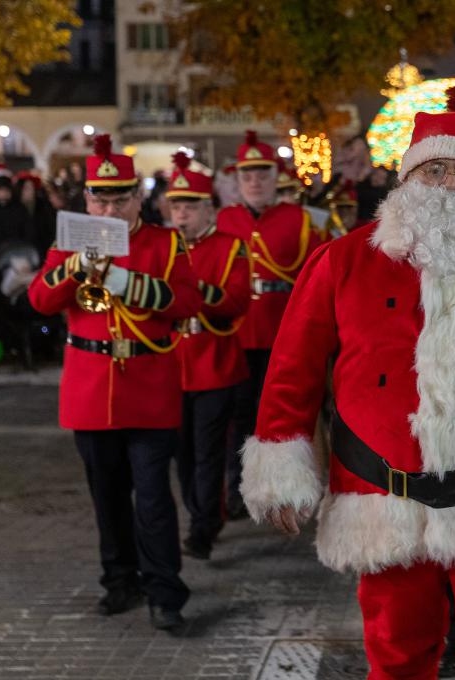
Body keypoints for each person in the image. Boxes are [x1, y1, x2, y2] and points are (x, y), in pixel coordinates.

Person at [239, 85, 455, 678]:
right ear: (406, 180)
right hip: (384, 497)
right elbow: (293, 368)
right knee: (397, 653)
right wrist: (282, 466)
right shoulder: (343, 260)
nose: (449, 185)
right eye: (434, 170)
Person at [27, 135, 201, 632]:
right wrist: (76, 265)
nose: (108, 207)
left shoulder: (166, 243)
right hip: (90, 388)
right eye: (99, 198)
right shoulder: (66, 244)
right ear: (86, 199)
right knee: (106, 496)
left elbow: (188, 303)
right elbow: (40, 300)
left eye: (119, 198)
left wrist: (129, 285)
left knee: (152, 498)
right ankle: (119, 580)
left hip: (148, 384)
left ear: (137, 198)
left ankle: (165, 590)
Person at [217, 130, 325, 520]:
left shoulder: (299, 219)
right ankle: (236, 488)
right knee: (238, 417)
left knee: (288, 413)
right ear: (237, 179)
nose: (255, 181)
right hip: (239, 331)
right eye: (247, 175)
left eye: (262, 173)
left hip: (284, 331)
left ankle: (290, 490)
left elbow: (316, 275)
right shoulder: (224, 219)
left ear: (275, 176)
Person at [166, 152, 251, 560]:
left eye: (189, 206)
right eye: (175, 205)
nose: (181, 214)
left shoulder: (229, 246)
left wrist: (189, 291)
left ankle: (204, 525)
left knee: (208, 453)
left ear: (208, 209)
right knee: (182, 455)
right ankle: (198, 513)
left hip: (214, 361)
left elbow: (235, 301)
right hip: (172, 363)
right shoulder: (162, 247)